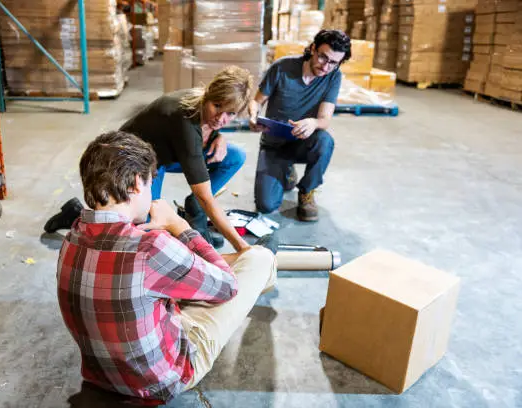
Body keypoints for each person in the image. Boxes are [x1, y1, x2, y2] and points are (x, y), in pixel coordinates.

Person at [56, 131, 277, 403]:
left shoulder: (72, 237)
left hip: (100, 377)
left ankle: (252, 277)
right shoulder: (150, 247)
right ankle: (266, 274)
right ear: (137, 184)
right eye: (150, 185)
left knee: (179, 273)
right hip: (162, 381)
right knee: (259, 258)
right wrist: (179, 226)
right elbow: (228, 286)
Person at [45, 66, 254, 251]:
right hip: (133, 161)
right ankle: (76, 214)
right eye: (217, 106)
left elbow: (209, 129)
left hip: (165, 152)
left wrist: (219, 136)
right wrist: (241, 246)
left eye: (231, 114)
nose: (221, 118)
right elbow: (205, 196)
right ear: (208, 95)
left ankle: (194, 211)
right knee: (141, 226)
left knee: (236, 156)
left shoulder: (204, 109)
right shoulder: (184, 118)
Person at [248, 30, 351, 221]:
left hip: (303, 142)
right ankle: (286, 172)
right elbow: (257, 101)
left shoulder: (333, 77)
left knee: (324, 141)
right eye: (323, 57)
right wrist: (254, 116)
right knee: (266, 205)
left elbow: (324, 119)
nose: (326, 66)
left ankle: (306, 190)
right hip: (274, 144)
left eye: (334, 63)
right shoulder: (282, 67)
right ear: (313, 48)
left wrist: (313, 122)